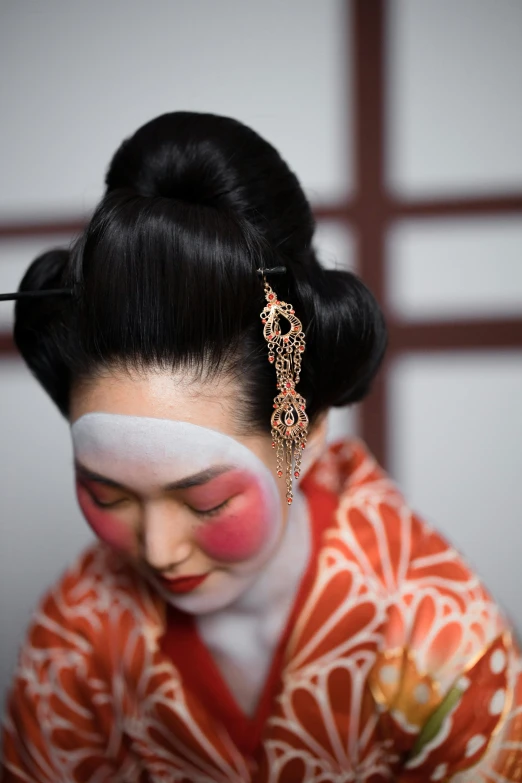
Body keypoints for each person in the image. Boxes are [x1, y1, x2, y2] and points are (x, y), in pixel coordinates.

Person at [1, 112, 521, 783]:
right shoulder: (76, 638)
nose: (157, 547)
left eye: (208, 500)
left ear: (305, 435)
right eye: (108, 493)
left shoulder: (438, 635)